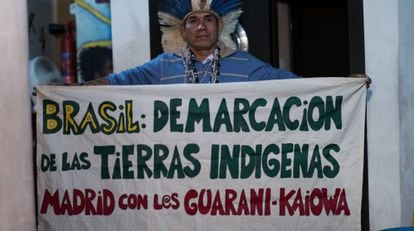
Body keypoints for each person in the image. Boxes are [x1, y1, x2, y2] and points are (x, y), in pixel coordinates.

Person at [87, 0, 297, 85]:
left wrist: (329, 88)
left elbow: (297, 85)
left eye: (208, 19)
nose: (201, 27)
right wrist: (63, 92)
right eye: (193, 21)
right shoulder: (164, 66)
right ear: (182, 29)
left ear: (220, 25)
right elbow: (118, 82)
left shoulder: (246, 64)